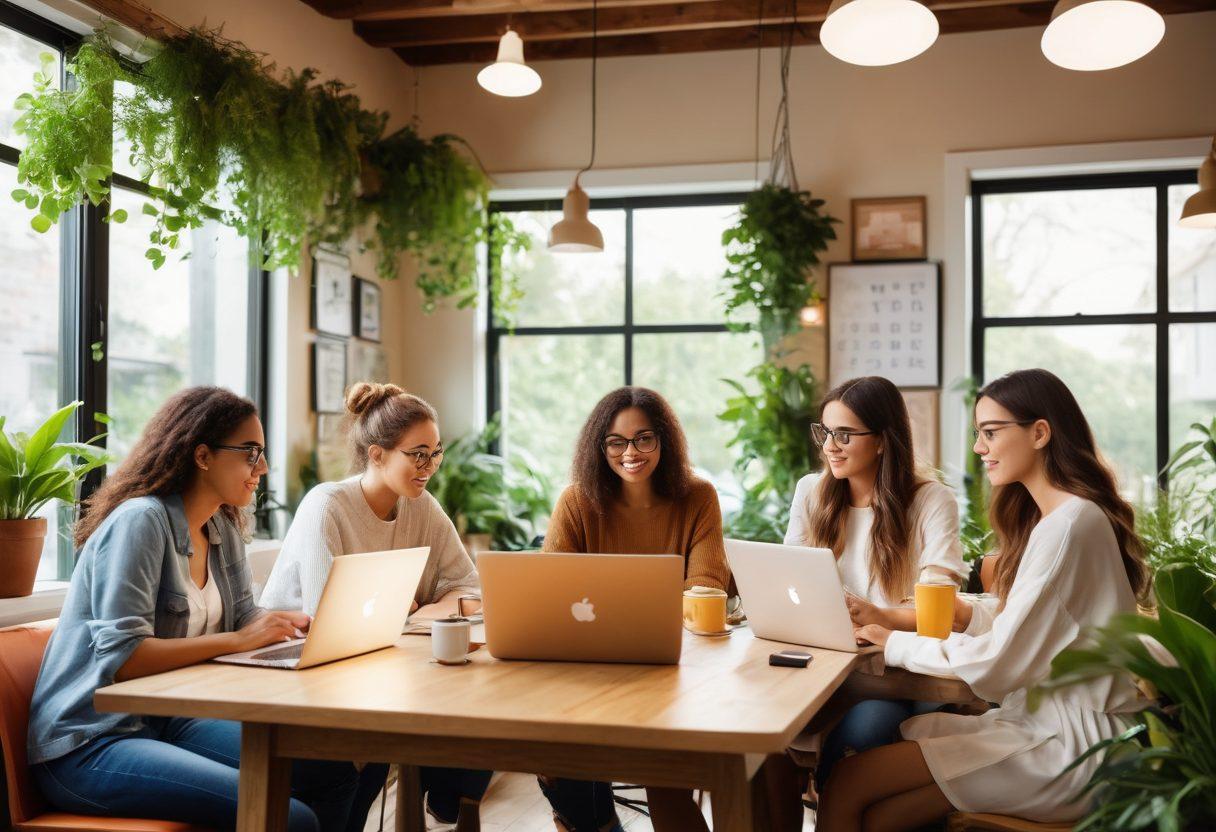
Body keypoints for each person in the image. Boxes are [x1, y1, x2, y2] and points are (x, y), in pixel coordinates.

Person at [816, 368, 1151, 830]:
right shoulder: (1062, 518)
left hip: (1072, 746)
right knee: (879, 815)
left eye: (991, 433)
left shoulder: (1070, 524)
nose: (979, 448)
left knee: (849, 781)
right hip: (1055, 726)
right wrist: (969, 612)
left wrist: (894, 642)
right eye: (979, 434)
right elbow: (1037, 618)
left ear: (1039, 433)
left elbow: (998, 665)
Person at [27, 387, 361, 831]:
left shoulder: (219, 525)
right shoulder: (140, 522)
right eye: (250, 452)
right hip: (91, 741)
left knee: (340, 766)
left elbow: (247, 618)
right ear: (202, 455)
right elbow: (123, 659)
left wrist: (296, 628)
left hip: (169, 721)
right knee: (292, 819)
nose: (262, 467)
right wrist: (240, 639)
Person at [260, 381, 490, 831]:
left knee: (476, 710)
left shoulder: (422, 506)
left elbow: (468, 587)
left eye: (435, 452)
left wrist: (415, 610)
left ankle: (447, 803)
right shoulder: (327, 505)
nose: (430, 467)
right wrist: (421, 606)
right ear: (376, 454)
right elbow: (330, 618)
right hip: (302, 674)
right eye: (417, 454)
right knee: (388, 732)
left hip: (380, 663)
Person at [539, 386, 730, 832]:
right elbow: (546, 593)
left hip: (676, 668)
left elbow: (706, 587)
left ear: (664, 441)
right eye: (616, 442)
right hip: (589, 666)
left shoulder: (698, 496)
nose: (631, 453)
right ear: (599, 446)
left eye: (644, 438)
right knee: (549, 734)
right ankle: (595, 820)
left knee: (663, 771)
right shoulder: (576, 500)